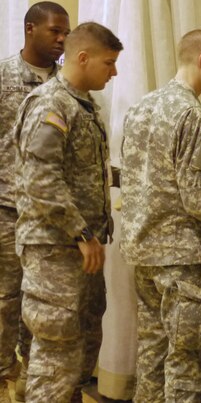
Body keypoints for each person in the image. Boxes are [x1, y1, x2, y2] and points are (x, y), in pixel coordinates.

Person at [14, 22, 121, 402]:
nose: (114, 72)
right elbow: (40, 179)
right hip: (55, 252)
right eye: (109, 63)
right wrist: (82, 233)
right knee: (56, 357)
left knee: (78, 355)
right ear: (82, 57)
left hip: (79, 253)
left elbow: (85, 171)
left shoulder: (81, 104)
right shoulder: (51, 104)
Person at [120, 30, 201, 402]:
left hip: (143, 254)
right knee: (187, 362)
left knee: (152, 353)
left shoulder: (141, 107)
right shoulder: (195, 116)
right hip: (183, 260)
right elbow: (200, 198)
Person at [0, 1, 69, 403]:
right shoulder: (5, 76)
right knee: (6, 298)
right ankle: (4, 376)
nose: (61, 39)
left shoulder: (64, 85)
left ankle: (32, 376)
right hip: (8, 207)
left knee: (40, 300)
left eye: (65, 33)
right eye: (53, 32)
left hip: (48, 218)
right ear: (30, 29)